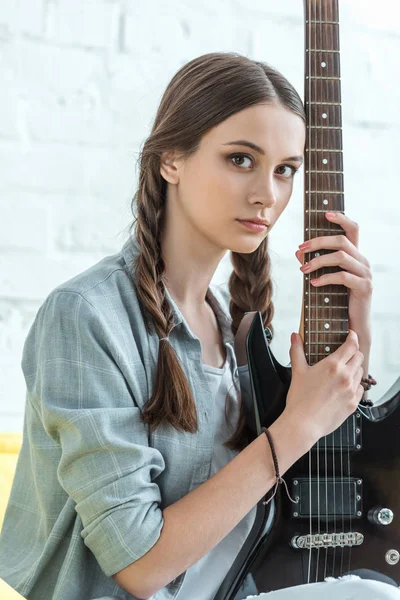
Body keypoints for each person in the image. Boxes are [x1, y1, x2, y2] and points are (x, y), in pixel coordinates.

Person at [0, 51, 396, 600]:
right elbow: (137, 566)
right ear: (171, 160)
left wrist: (358, 331)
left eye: (285, 169)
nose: (269, 194)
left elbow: (311, 473)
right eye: (240, 159)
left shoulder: (231, 326)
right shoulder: (87, 316)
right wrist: (296, 424)